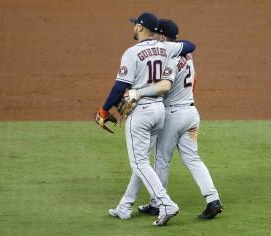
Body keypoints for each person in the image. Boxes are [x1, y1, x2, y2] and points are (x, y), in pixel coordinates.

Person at [94, 12, 196, 226]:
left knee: (139, 163)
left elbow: (120, 86)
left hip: (140, 113)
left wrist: (104, 110)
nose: (133, 28)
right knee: (142, 162)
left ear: (140, 28)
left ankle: (166, 204)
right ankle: (125, 206)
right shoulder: (166, 48)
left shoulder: (131, 53)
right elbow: (190, 45)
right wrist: (173, 45)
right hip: (160, 112)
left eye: (135, 25)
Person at [126, 19, 223, 220]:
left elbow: (165, 86)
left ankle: (156, 204)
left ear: (162, 36)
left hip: (173, 116)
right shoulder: (188, 56)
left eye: (156, 35)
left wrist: (138, 93)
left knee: (161, 159)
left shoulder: (169, 58)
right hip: (191, 113)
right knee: (193, 159)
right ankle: (213, 199)